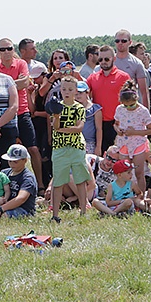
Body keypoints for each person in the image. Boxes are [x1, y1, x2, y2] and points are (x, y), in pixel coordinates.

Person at [0, 38, 43, 191]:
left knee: (33, 149)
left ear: (13, 49)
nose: (6, 52)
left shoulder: (21, 64)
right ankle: (7, 186)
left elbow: (25, 83)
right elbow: (18, 83)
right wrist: (15, 83)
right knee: (6, 152)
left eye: (9, 48)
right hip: (5, 114)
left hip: (22, 112)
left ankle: (40, 185)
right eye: (2, 49)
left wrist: (4, 84)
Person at [49, 76, 93, 222]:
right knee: (58, 182)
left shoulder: (79, 107)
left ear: (75, 91)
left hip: (76, 147)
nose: (66, 92)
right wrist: (56, 117)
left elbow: (78, 128)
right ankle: (55, 215)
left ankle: (83, 211)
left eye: (70, 89)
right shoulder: (56, 106)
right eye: (64, 89)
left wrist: (62, 129)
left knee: (80, 180)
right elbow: (55, 126)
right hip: (59, 148)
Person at [87, 45, 130, 154]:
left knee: (119, 155)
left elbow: (131, 100)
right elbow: (82, 93)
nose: (103, 62)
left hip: (117, 123)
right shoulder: (93, 77)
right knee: (100, 156)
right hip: (97, 124)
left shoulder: (123, 77)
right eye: (100, 59)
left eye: (107, 59)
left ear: (114, 59)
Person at [114, 80, 151, 194]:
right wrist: (118, 131)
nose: (129, 107)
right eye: (125, 105)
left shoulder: (142, 111)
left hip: (138, 144)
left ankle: (141, 196)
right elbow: (116, 124)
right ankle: (126, 195)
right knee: (125, 172)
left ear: (136, 99)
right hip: (124, 143)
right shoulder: (120, 109)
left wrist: (135, 132)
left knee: (139, 172)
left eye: (131, 105)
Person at [0, 144, 37, 220]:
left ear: (25, 160)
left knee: (4, 216)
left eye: (15, 162)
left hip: (23, 209)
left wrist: (1, 209)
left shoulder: (28, 177)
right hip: (3, 205)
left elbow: (21, 198)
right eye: (10, 161)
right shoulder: (4, 173)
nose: (12, 164)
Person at [113, 29, 149, 107]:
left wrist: (146, 112)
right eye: (117, 41)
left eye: (123, 41)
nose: (120, 43)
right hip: (112, 106)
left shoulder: (136, 63)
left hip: (130, 107)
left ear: (130, 42)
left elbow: (144, 91)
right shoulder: (109, 61)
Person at [76, 81, 103, 156]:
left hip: (90, 143)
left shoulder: (95, 109)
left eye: (80, 93)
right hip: (75, 142)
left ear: (87, 93)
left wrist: (98, 147)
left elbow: (99, 129)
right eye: (76, 94)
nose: (78, 96)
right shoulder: (72, 108)